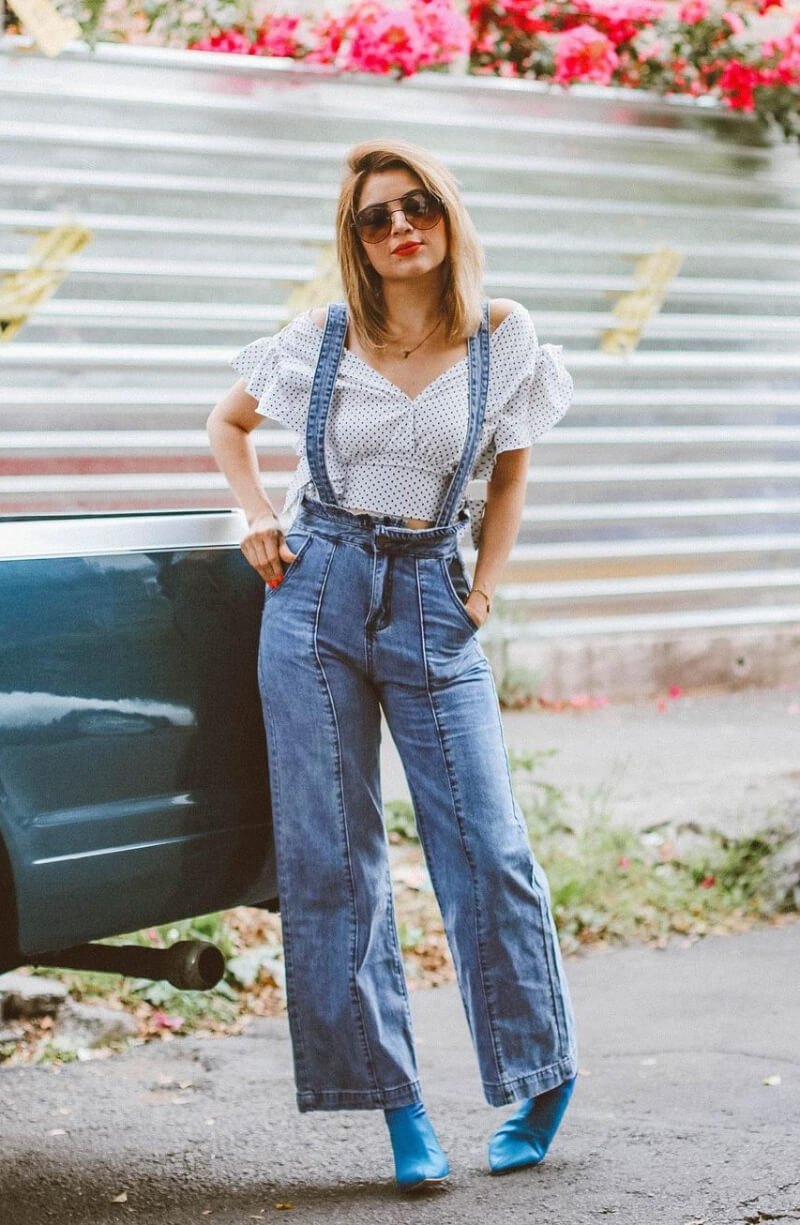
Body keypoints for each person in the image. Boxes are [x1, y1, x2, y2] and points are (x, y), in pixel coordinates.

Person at [207, 138, 579, 1192]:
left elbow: (506, 482)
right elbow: (224, 423)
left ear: (447, 215)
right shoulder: (319, 338)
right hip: (313, 591)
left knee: (484, 845)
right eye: (375, 217)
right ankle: (397, 1104)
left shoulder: (501, 335)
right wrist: (253, 522)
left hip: (429, 593)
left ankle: (538, 1066)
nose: (398, 227)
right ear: (356, 240)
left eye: (416, 206)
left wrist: (483, 589)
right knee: (331, 858)